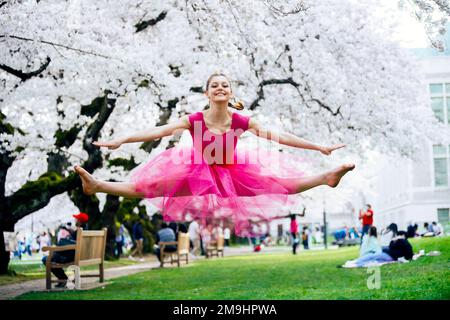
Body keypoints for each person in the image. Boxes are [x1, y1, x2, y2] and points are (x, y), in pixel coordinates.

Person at [74, 72, 355, 236]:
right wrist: (123, 139)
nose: (220, 88)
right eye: (214, 85)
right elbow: (157, 131)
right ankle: (97, 185)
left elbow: (279, 136)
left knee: (280, 183)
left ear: (230, 93)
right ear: (207, 93)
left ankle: (326, 177)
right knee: (149, 188)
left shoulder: (242, 121)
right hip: (196, 172)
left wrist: (319, 146)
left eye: (225, 85)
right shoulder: (194, 119)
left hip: (234, 172)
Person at [41, 212, 89, 288]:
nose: (75, 220)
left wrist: (57, 248)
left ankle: (63, 279)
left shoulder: (79, 232)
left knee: (46, 259)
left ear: (80, 221)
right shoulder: (86, 231)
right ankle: (63, 279)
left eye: (76, 219)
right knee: (53, 256)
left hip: (70, 257)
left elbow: (71, 246)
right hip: (80, 256)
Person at [345, 230, 413, 268]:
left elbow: (391, 246)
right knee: (374, 256)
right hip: (390, 255)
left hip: (390, 255)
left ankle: (357, 262)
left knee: (373, 256)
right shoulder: (404, 242)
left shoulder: (402, 241)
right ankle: (357, 261)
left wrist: (393, 241)